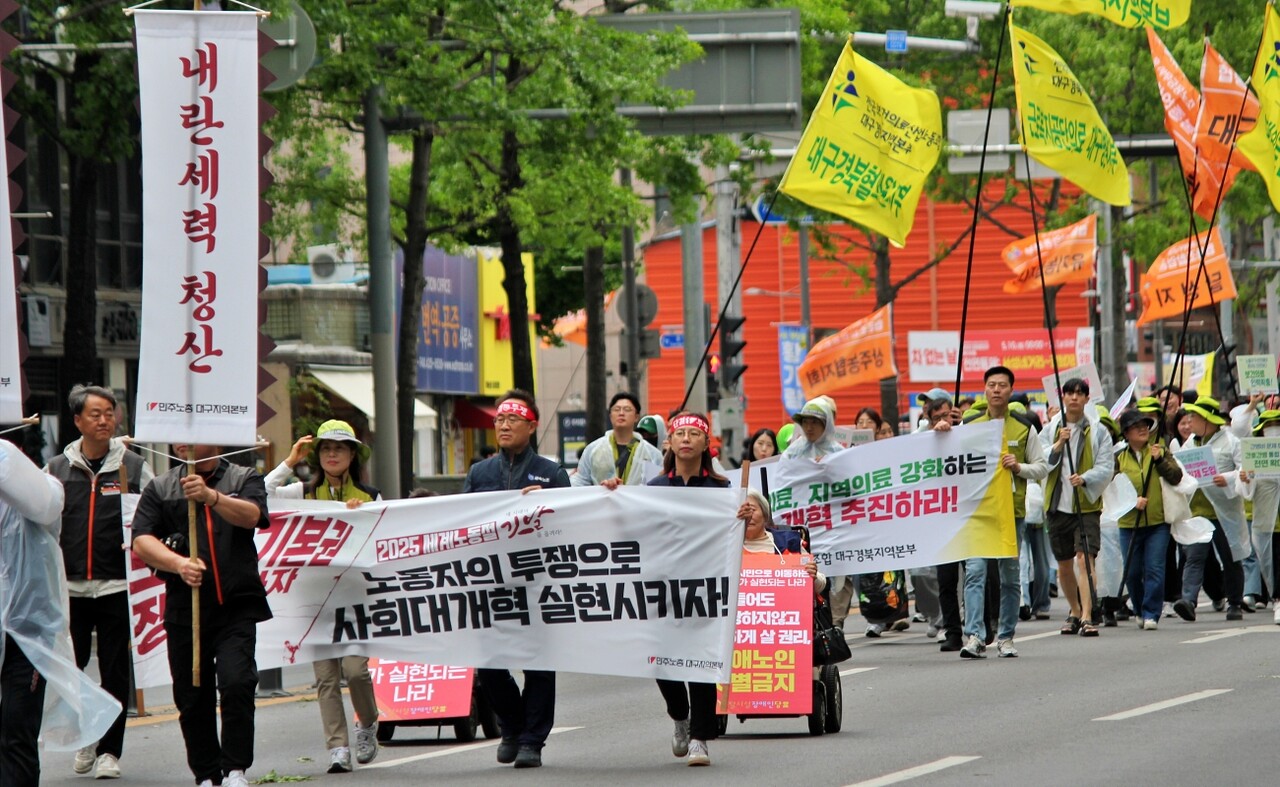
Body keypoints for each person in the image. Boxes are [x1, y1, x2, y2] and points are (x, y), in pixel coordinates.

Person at [130, 444, 272, 787]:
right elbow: (141, 539)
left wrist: (212, 497)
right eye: (178, 436)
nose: (184, 443)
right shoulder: (162, 486)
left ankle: (235, 768)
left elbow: (254, 516)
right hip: (186, 609)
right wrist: (178, 564)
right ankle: (206, 773)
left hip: (237, 605)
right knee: (192, 695)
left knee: (237, 683)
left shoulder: (243, 477)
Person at [45, 384, 153, 780]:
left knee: (115, 672)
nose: (105, 419)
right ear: (78, 421)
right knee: (70, 672)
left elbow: (153, 516)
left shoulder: (135, 467)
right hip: (69, 590)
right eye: (95, 413)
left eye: (110, 412)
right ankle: (84, 738)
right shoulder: (56, 469)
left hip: (117, 587)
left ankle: (110, 750)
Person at [264, 420, 381, 773]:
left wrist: (364, 517)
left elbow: (381, 540)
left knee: (356, 672)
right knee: (327, 678)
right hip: (312, 600)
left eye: (340, 448)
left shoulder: (370, 495)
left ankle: (368, 723)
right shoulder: (300, 493)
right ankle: (338, 748)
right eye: (326, 448)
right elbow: (259, 492)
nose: (333, 454)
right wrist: (288, 461)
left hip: (354, 599)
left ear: (352, 455)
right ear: (317, 456)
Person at [463, 390, 570, 769]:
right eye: (499, 419)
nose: (504, 425)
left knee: (540, 663)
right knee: (490, 663)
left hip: (539, 584)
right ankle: (511, 725)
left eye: (513, 419)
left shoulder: (551, 473)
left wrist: (550, 502)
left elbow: (573, 523)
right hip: (491, 584)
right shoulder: (479, 474)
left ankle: (531, 741)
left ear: (532, 425)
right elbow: (462, 525)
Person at [647, 412, 728, 766]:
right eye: (680, 432)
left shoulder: (721, 489)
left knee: (700, 661)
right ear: (669, 442)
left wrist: (741, 514)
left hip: (704, 588)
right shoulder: (652, 489)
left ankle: (700, 737)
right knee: (662, 661)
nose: (686, 439)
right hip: (661, 589)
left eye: (694, 433)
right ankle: (679, 715)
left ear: (705, 443)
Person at [960, 366, 1048, 658]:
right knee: (975, 572)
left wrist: (1019, 467)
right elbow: (951, 460)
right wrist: (944, 431)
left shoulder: (1024, 427)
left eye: (1002, 385)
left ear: (1011, 391)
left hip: (1012, 514)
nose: (996, 390)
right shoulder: (970, 425)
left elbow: (1042, 466)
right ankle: (974, 636)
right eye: (991, 385)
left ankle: (1006, 636)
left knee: (1010, 576)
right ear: (984, 390)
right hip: (978, 513)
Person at [1041, 379, 1114, 636]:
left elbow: (1107, 466)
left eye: (1079, 393)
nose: (1074, 398)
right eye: (1069, 393)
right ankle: (1073, 610)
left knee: (1085, 560)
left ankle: (1087, 615)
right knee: (1064, 564)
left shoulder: (1098, 431)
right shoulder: (1051, 429)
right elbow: (1039, 461)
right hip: (1057, 506)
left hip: (1086, 505)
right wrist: (1058, 445)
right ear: (1062, 397)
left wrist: (1086, 478)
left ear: (1086, 398)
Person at [1171, 396, 1249, 622]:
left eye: (1194, 417)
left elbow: (1244, 469)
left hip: (1224, 511)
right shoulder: (1190, 443)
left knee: (1230, 556)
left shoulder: (1231, 441)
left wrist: (1229, 478)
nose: (1190, 421)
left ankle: (1235, 602)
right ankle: (1189, 601)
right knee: (1194, 556)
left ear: (1208, 420)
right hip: (1198, 510)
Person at [1113, 409, 1186, 630]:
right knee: (1133, 572)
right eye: (1136, 426)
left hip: (1157, 522)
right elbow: (1112, 491)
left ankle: (1151, 612)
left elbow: (1176, 476)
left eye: (1145, 425)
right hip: (1129, 524)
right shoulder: (1118, 458)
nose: (1143, 429)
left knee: (1155, 568)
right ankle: (1139, 606)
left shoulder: (1159, 450)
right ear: (1126, 433)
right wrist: (1132, 502)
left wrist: (1160, 460)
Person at [571, 392, 664, 488]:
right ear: (610, 416)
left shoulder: (652, 454)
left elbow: (657, 488)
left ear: (636, 417)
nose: (621, 413)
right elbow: (580, 482)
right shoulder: (593, 450)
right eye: (617, 409)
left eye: (627, 409)